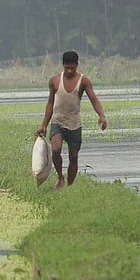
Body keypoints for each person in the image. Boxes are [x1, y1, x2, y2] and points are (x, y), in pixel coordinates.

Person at [36, 50, 107, 189]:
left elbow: (93, 98)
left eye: (72, 68)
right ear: (62, 65)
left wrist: (101, 116)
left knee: (73, 157)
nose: (69, 71)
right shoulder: (54, 80)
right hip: (58, 122)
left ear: (77, 65)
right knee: (55, 149)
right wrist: (44, 124)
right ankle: (61, 178)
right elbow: (50, 102)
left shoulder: (84, 81)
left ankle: (70, 186)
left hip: (74, 124)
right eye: (66, 68)